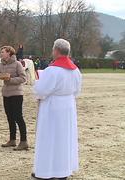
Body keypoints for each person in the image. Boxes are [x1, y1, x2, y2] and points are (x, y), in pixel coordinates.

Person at [32, 39, 82, 180]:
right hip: (68, 106)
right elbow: (77, 91)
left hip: (52, 108)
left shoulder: (52, 70)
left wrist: (37, 83)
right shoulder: (76, 70)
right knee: (64, 139)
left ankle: (45, 171)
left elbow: (41, 90)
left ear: (56, 51)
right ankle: (63, 170)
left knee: (49, 138)